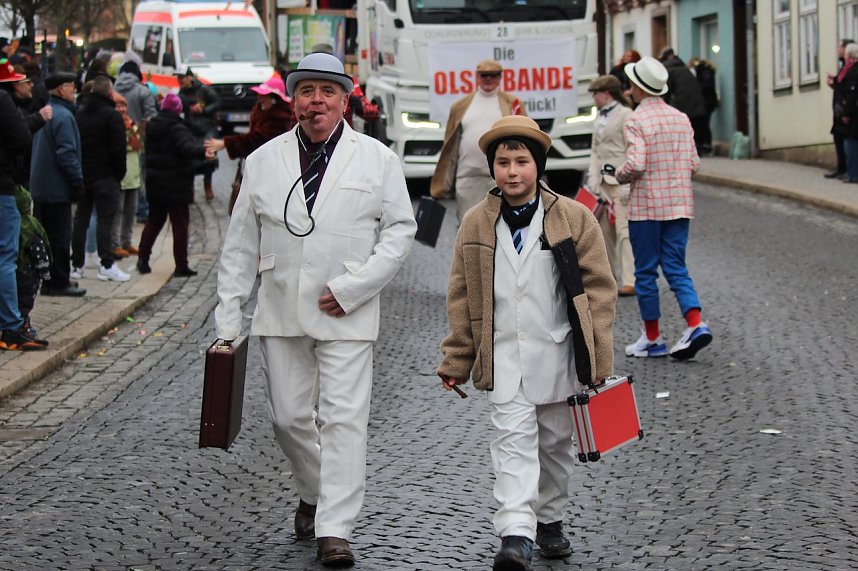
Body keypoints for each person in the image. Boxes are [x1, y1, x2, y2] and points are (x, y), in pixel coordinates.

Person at [214, 52, 416, 567]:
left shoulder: (378, 159)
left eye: (327, 91)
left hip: (347, 312)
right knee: (287, 419)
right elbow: (239, 245)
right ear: (294, 100)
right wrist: (227, 320)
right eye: (306, 91)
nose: (316, 101)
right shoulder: (262, 161)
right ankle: (312, 487)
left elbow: (400, 232)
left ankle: (335, 527)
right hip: (280, 311)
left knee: (344, 419)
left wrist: (358, 286)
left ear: (344, 100)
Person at [437, 115, 616, 571]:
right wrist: (457, 357)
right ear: (492, 169)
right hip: (504, 357)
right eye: (502, 163)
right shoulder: (476, 223)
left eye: (521, 162)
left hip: (558, 355)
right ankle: (516, 533)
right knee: (512, 443)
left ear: (538, 165)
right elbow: (460, 294)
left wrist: (598, 355)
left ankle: (550, 518)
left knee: (556, 446)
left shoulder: (572, 218)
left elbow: (598, 291)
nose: (512, 172)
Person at [615, 56, 713, 361]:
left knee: (645, 272)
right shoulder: (681, 118)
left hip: (646, 208)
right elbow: (694, 164)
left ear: (636, 88)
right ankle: (695, 323)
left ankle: (653, 338)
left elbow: (637, 164)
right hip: (680, 204)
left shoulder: (636, 119)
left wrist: (618, 174)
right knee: (676, 266)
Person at [430, 59, 527, 222]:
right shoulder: (460, 106)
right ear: (477, 77)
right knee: (468, 225)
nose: (488, 79)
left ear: (500, 77)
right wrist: (445, 182)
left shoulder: (513, 104)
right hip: (468, 176)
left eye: (493, 75)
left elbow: (525, 140)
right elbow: (450, 144)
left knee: (503, 224)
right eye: (484, 75)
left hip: (503, 176)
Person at [0, 64, 48, 350]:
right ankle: (11, 326)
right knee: (6, 256)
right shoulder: (3, 100)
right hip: (2, 186)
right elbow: (21, 139)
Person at [136, 93, 209, 277]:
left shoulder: (152, 126)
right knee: (180, 226)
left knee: (153, 222)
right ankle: (181, 265)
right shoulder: (177, 128)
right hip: (176, 184)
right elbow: (187, 149)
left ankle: (142, 259)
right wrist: (204, 152)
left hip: (156, 184)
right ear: (178, 110)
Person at [30, 71, 87, 297]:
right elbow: (66, 153)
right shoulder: (63, 116)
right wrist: (77, 181)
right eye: (71, 86)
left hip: (42, 186)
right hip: (56, 188)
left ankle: (49, 280)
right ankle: (58, 282)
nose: (74, 90)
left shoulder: (47, 113)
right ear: (61, 89)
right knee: (60, 236)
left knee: (47, 237)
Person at [204, 76, 296, 213]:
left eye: (264, 95)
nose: (260, 98)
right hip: (260, 170)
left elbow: (257, 139)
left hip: (273, 174)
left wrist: (225, 143)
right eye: (259, 94)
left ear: (274, 99)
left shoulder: (280, 118)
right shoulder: (262, 110)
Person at [71, 75, 129, 283]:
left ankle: (77, 264)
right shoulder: (111, 116)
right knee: (106, 220)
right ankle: (106, 264)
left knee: (81, 219)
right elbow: (118, 149)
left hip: (85, 175)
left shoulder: (80, 114)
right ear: (109, 93)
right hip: (106, 176)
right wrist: (118, 174)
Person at [587, 75, 636, 297]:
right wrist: (592, 179)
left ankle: (630, 279)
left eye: (595, 94)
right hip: (603, 184)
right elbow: (595, 150)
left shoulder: (626, 116)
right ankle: (610, 277)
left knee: (624, 230)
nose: (593, 99)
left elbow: (631, 149)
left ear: (606, 94)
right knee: (604, 232)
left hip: (621, 181)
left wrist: (628, 182)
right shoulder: (599, 117)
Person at [113, 58, 158, 223]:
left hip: (116, 139)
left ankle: (122, 209)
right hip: (138, 140)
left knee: (122, 175)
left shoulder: (113, 89)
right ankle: (142, 210)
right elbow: (151, 116)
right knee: (139, 176)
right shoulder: (143, 91)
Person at [177, 66, 221, 201]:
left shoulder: (204, 89)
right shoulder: (181, 93)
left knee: (209, 158)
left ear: (190, 77)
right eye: (178, 78)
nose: (180, 80)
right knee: (189, 158)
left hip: (207, 127)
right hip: (191, 128)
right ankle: (190, 190)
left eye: (182, 77)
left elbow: (217, 102)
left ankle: (208, 186)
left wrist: (204, 110)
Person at [14, 185, 51, 340]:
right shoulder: (31, 226)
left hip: (13, 270)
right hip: (28, 273)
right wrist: (45, 271)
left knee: (14, 300)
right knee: (25, 302)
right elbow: (38, 250)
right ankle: (23, 326)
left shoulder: (10, 224)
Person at [658, 48, 708, 155]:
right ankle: (698, 149)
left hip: (683, 102)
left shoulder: (669, 70)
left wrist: (663, 105)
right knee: (696, 126)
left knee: (684, 127)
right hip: (697, 100)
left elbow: (667, 90)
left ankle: (689, 151)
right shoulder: (684, 68)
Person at [111, 91, 143, 257]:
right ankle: (115, 243)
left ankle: (127, 241)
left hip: (133, 174)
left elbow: (138, 145)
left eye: (123, 105)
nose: (122, 109)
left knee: (131, 211)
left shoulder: (132, 124)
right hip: (121, 175)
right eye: (118, 105)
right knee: (118, 211)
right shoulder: (114, 124)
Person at [826, 39, 854, 179]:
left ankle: (847, 170)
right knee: (838, 137)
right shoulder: (844, 66)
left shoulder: (851, 68)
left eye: (840, 46)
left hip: (845, 109)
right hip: (839, 109)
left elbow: (848, 88)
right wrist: (834, 83)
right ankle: (841, 168)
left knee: (846, 139)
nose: (838, 49)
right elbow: (841, 83)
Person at [832, 41, 858, 182]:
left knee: (851, 143)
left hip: (852, 113)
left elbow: (851, 93)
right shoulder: (847, 69)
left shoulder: (852, 70)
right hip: (846, 111)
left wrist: (846, 113)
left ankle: (852, 174)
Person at [689, 58, 718, 156]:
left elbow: (707, 86)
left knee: (703, 125)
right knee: (704, 125)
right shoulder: (707, 71)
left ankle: (706, 146)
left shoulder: (704, 72)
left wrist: (696, 85)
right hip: (708, 102)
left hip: (706, 102)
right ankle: (705, 145)